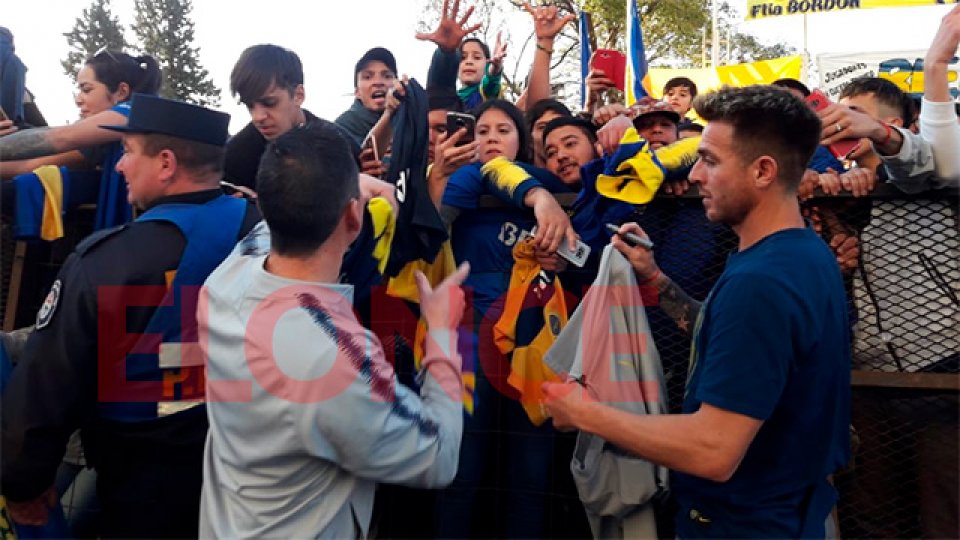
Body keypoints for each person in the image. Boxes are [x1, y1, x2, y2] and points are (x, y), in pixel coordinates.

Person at [543, 85, 851, 538]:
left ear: (763, 170)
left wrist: (585, 413)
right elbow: (733, 338)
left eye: (709, 160)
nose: (697, 176)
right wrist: (656, 278)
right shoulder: (801, 253)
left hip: (746, 525)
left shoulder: (761, 282)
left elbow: (713, 450)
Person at [1, 93, 260, 538]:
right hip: (252, 483)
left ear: (165, 163)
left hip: (143, 493)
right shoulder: (268, 235)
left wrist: (23, 482)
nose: (119, 166)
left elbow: (48, 384)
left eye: (127, 152)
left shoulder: (108, 262)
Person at [199, 120, 467, 538]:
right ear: (353, 217)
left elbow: (266, 229)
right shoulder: (334, 356)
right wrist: (441, 333)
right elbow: (438, 454)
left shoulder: (226, 279)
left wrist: (350, 183)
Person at [1, 49, 161, 229]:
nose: (78, 99)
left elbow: (61, 137)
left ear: (121, 91)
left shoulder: (134, 112)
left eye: (87, 89)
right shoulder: (105, 136)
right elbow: (37, 161)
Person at [222, 44, 315, 193]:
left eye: (269, 103)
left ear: (298, 95)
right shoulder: (235, 158)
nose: (258, 117)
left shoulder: (341, 145)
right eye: (250, 105)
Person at [334, 47, 398, 162]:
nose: (378, 82)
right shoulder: (342, 128)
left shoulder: (411, 120)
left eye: (387, 76)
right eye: (367, 77)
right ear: (357, 92)